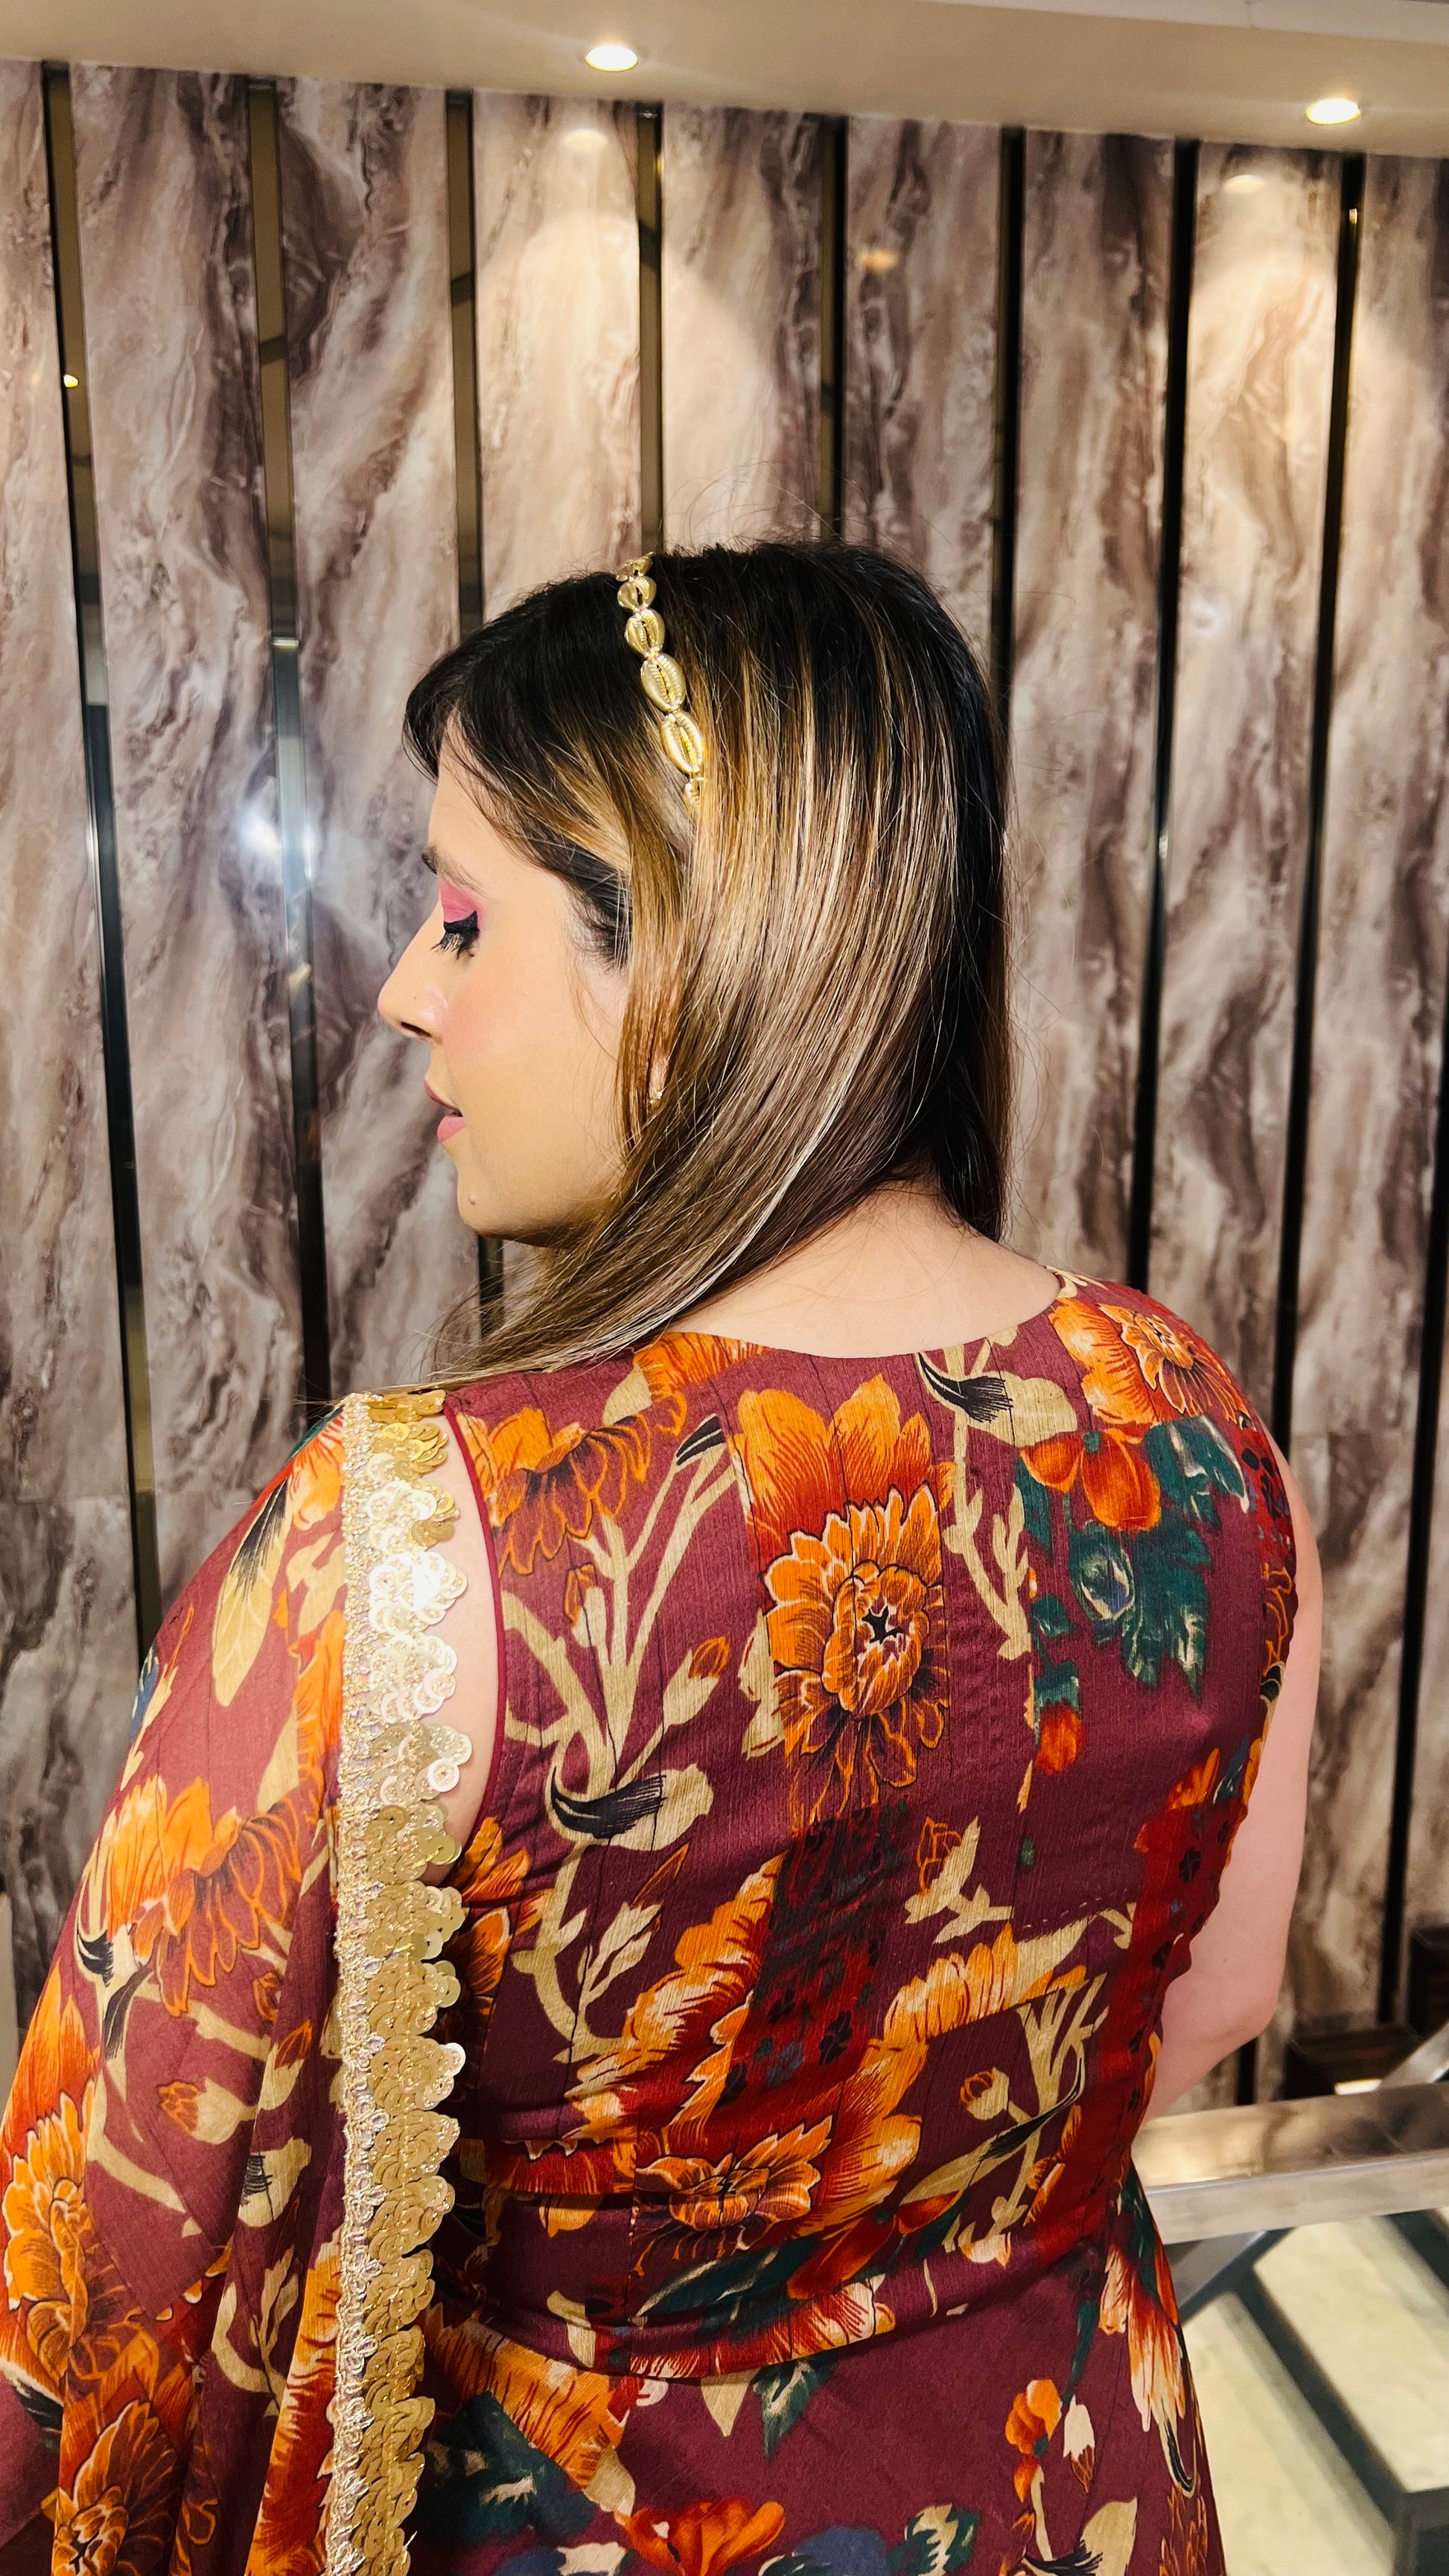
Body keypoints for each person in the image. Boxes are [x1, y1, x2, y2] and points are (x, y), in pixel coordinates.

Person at [0, 542, 1319, 2576]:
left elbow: (105, 2298)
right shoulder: (1197, 1430)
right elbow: (1220, 1993)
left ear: (685, 943)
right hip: (1072, 2485)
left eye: (464, 914)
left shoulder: (410, 1550)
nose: (406, 987)